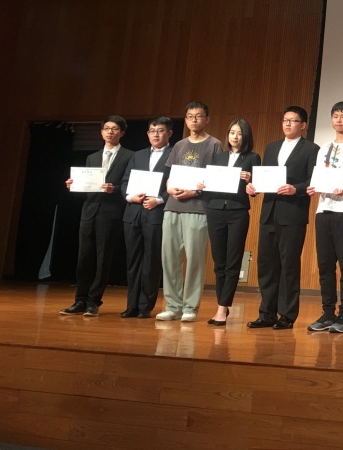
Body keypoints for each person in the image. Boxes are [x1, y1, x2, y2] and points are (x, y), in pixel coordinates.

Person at [246, 106, 320, 330]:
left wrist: (295, 189)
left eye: (293, 121)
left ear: (303, 125)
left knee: (289, 265)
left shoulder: (311, 149)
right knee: (266, 264)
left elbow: (314, 180)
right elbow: (264, 177)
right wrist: (253, 187)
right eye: (285, 120)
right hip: (269, 212)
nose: (288, 124)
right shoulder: (271, 147)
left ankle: (287, 315)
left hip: (293, 214)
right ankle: (266, 313)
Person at [59, 115, 134, 316]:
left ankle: (94, 301)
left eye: (114, 129)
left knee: (103, 258)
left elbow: (129, 184)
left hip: (110, 212)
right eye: (106, 128)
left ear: (122, 133)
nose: (110, 132)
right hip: (89, 211)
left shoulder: (129, 156)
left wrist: (114, 189)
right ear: (101, 132)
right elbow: (87, 187)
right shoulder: (92, 157)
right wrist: (73, 185)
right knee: (84, 256)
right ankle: (80, 299)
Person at [158, 102, 223, 322]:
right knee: (169, 258)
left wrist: (194, 192)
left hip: (198, 208)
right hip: (172, 207)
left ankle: (190, 307)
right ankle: (172, 305)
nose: (194, 120)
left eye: (198, 116)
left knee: (195, 259)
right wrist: (169, 189)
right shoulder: (179, 145)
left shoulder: (214, 144)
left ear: (207, 119)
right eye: (190, 116)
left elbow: (216, 178)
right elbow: (170, 175)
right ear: (185, 120)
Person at [306, 101, 343, 334]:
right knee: (325, 265)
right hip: (323, 210)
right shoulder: (324, 148)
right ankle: (328, 313)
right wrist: (313, 187)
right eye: (335, 116)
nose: (339, 120)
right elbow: (319, 176)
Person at [204, 118, 260, 326]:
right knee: (219, 262)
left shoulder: (253, 157)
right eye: (232, 132)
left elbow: (255, 189)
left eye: (239, 133)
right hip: (215, 209)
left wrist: (250, 181)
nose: (235, 137)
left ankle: (222, 308)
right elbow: (209, 184)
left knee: (233, 260)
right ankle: (222, 305)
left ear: (246, 136)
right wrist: (202, 184)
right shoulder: (218, 157)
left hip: (237, 211)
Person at [118, 117, 172, 318]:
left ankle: (145, 306)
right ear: (147, 134)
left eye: (160, 130)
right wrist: (130, 197)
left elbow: (176, 183)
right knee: (132, 261)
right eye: (152, 131)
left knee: (152, 261)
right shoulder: (137, 155)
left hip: (156, 213)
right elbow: (125, 181)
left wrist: (159, 200)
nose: (156, 134)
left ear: (169, 133)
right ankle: (131, 305)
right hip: (133, 213)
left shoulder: (174, 155)